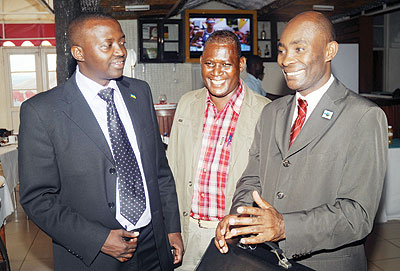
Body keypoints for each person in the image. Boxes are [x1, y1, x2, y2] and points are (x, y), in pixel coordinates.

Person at [215, 11, 388, 270]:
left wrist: (286, 227)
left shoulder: (363, 116)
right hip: (265, 257)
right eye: (283, 50)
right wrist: (240, 217)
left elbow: (357, 216)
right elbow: (252, 179)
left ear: (330, 51)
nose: (286, 60)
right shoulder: (272, 112)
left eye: (299, 48)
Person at [18, 13, 183, 271]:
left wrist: (171, 228)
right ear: (79, 53)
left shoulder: (139, 92)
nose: (121, 52)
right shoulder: (42, 111)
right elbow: (38, 198)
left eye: (122, 42)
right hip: (96, 256)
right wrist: (98, 240)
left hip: (154, 242)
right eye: (108, 45)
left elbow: (159, 171)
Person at [167, 30, 270, 270]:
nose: (216, 72)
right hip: (187, 229)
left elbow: (267, 182)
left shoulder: (265, 111)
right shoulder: (186, 103)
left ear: (241, 64)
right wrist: (171, 228)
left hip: (233, 237)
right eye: (209, 64)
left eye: (226, 64)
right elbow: (171, 169)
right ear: (201, 63)